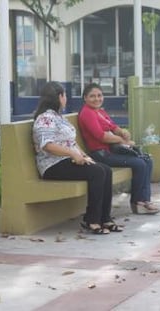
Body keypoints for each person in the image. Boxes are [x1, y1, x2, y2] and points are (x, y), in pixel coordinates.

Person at [32, 81, 123, 234]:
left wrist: (84, 156)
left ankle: (105, 218)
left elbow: (71, 142)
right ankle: (92, 220)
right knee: (97, 172)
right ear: (60, 97)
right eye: (65, 95)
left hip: (68, 160)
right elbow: (47, 145)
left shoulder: (59, 117)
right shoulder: (45, 118)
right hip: (53, 165)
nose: (66, 98)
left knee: (105, 169)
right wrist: (72, 154)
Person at [78, 83, 160, 215]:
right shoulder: (87, 113)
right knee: (139, 163)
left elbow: (112, 127)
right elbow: (101, 136)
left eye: (99, 95)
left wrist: (122, 132)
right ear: (85, 98)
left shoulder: (100, 112)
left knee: (147, 159)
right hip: (101, 154)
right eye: (92, 96)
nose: (97, 99)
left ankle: (145, 200)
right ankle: (138, 202)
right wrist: (123, 140)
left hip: (111, 150)